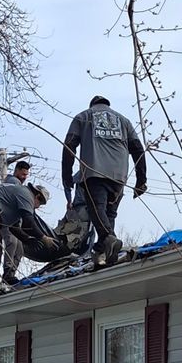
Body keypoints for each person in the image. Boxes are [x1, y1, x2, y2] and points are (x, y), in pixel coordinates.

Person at [62, 96, 146, 267]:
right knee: (109, 214)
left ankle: (108, 240)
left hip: (94, 172)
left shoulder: (83, 117)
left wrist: (67, 176)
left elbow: (69, 145)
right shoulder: (124, 121)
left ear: (92, 105)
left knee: (97, 210)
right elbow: (138, 149)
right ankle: (103, 252)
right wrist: (141, 180)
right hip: (119, 176)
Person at [0, 179, 56, 293]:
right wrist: (43, 237)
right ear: (37, 196)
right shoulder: (26, 194)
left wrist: (27, 239)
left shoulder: (16, 202)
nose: (37, 207)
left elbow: (14, 228)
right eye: (40, 203)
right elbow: (28, 221)